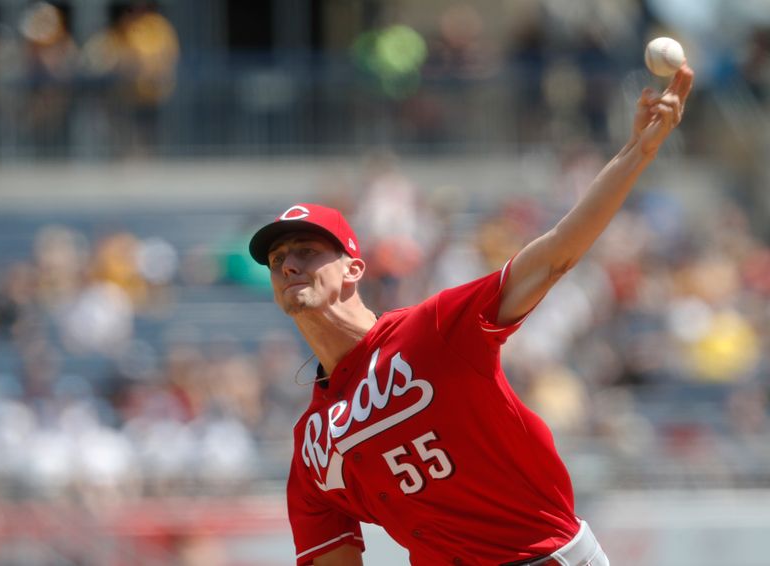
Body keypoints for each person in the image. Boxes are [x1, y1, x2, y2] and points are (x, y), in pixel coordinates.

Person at [248, 65, 694, 566]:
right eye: (277, 259)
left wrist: (637, 152)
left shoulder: (434, 329)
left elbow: (552, 257)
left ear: (354, 268)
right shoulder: (313, 442)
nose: (288, 264)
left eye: (307, 251)